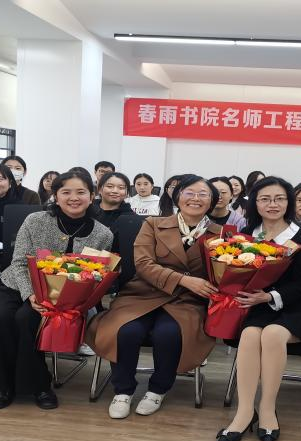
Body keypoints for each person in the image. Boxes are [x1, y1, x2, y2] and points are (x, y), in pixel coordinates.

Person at [86, 175, 222, 419]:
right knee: (126, 331)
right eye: (189, 193)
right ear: (177, 196)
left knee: (168, 334)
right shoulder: (153, 224)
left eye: (203, 194)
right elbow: (143, 264)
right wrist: (183, 279)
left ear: (212, 201)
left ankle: (158, 389)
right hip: (143, 293)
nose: (196, 198)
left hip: (187, 300)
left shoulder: (220, 233)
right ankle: (123, 390)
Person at [0, 171, 114, 411]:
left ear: (92, 196)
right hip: (16, 284)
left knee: (26, 319)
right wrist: (30, 294)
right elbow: (19, 263)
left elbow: (94, 274)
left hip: (62, 298)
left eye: (81, 192)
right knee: (1, 318)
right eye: (66, 192)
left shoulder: (103, 234)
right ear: (55, 195)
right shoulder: (35, 220)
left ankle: (39, 386)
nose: (73, 198)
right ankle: (3, 387)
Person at [217, 177, 301, 441]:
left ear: (288, 202)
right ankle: (244, 412)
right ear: (255, 203)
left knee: (273, 334)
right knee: (250, 335)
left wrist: (269, 296)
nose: (272, 204)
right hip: (258, 305)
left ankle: (267, 409)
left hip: (298, 305)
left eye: (279, 198)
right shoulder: (246, 234)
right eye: (265, 199)